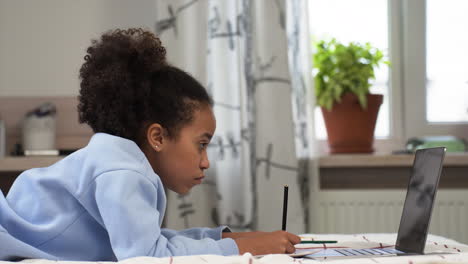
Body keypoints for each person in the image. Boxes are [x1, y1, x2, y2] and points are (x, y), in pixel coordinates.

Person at [0, 28, 300, 261]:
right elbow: (147, 257)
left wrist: (233, 240)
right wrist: (234, 249)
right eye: (201, 144)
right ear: (157, 137)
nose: (206, 161)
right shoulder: (123, 172)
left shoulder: (120, 162)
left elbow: (150, 240)